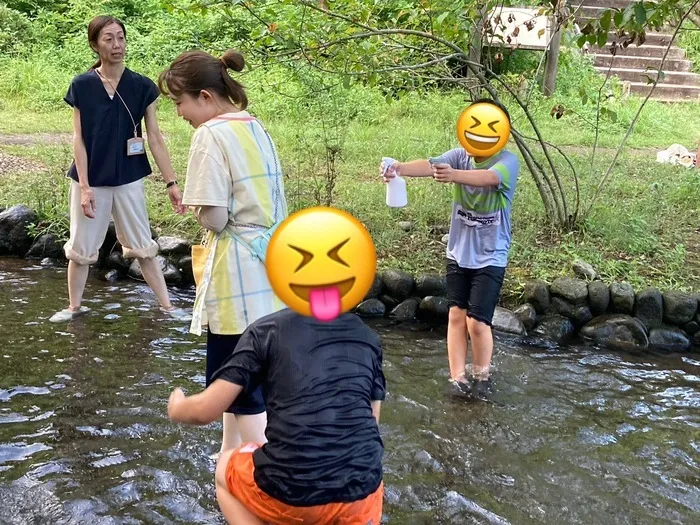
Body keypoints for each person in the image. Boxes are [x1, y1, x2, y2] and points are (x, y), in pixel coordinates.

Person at [158, 49, 288, 454]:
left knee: (238, 381)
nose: (179, 112)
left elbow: (214, 218)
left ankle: (271, 481)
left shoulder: (210, 134)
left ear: (206, 97)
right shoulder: (255, 126)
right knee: (250, 380)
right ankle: (230, 467)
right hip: (273, 268)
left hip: (237, 275)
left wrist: (197, 207)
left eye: (180, 102)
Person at [167, 307, 386, 525]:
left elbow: (205, 411)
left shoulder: (266, 330)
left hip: (292, 492)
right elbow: (371, 422)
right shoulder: (368, 337)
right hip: (364, 494)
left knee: (224, 466)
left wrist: (177, 406)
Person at [50, 15, 191, 323]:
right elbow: (79, 138)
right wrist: (85, 186)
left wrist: (172, 183)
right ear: (94, 45)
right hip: (92, 179)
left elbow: (154, 137)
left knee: (143, 246)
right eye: (108, 39)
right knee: (81, 248)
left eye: (121, 38)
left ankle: (167, 308)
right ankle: (74, 308)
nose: (116, 45)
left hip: (128, 178)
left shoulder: (142, 86)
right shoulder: (82, 85)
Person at [381, 98, 519, 400]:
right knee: (456, 315)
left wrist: (453, 175)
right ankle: (457, 377)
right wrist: (399, 168)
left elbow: (489, 178)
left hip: (491, 253)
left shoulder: (507, 162)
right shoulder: (459, 155)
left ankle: (482, 376)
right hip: (458, 252)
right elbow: (431, 166)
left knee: (478, 321)